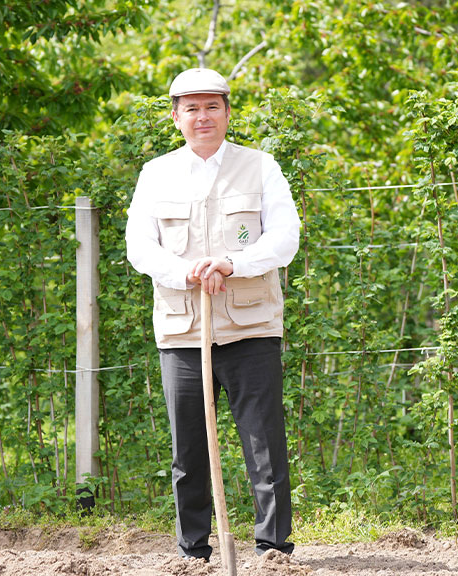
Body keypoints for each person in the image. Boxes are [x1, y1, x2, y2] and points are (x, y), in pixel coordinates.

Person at [125, 68, 301, 561]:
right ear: (176, 115)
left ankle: (273, 549)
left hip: (251, 326)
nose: (202, 117)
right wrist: (187, 273)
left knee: (265, 444)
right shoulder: (155, 173)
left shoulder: (261, 166)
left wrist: (233, 264)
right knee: (188, 451)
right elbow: (140, 247)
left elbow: (284, 238)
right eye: (191, 108)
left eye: (212, 107)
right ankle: (193, 551)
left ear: (227, 111)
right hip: (183, 331)